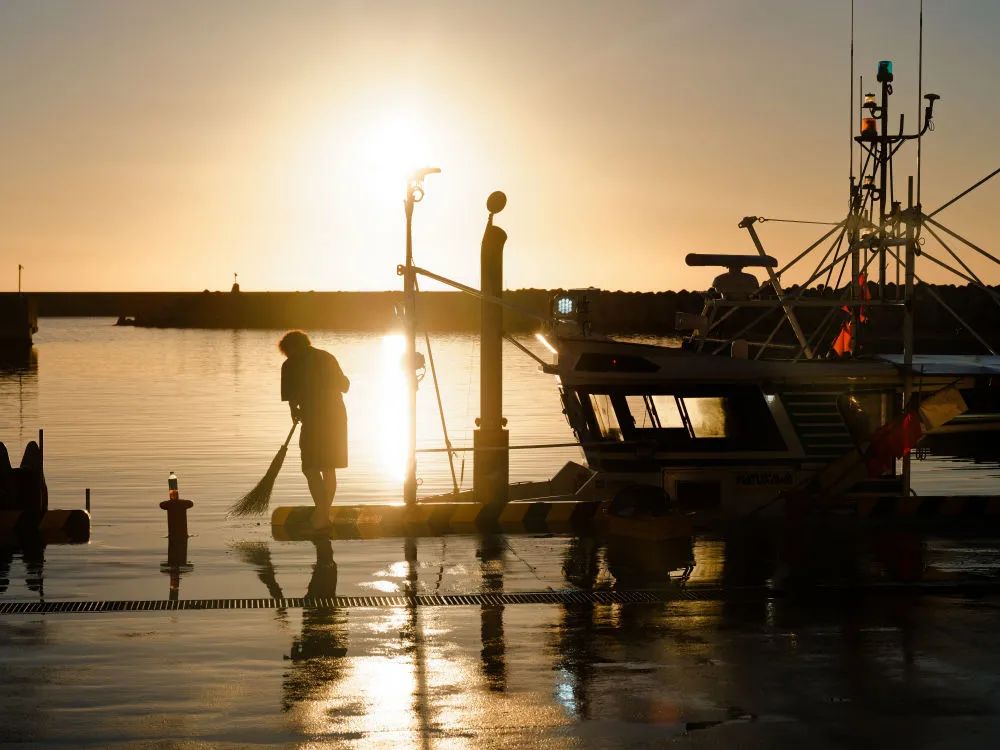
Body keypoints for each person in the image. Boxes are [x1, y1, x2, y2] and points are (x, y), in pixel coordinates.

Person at [279, 331, 349, 530]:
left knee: (311, 467)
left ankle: (321, 515)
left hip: (314, 419)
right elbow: (344, 386)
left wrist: (295, 410)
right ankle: (322, 514)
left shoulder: (289, 364)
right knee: (327, 467)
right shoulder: (326, 357)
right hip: (333, 417)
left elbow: (292, 398)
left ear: (291, 348)